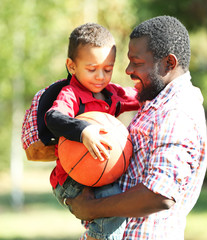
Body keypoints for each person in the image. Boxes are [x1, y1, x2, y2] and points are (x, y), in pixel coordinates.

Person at [66, 16, 207, 240]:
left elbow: (160, 195)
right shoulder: (157, 103)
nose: (128, 70)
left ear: (169, 64)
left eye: (137, 62)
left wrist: (91, 209)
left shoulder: (177, 112)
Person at [45, 23, 140, 240]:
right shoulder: (71, 95)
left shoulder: (111, 95)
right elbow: (54, 118)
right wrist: (83, 130)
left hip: (99, 176)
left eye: (108, 69)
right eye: (92, 69)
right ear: (72, 66)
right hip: (70, 179)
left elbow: (141, 96)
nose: (100, 76)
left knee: (116, 203)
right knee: (111, 205)